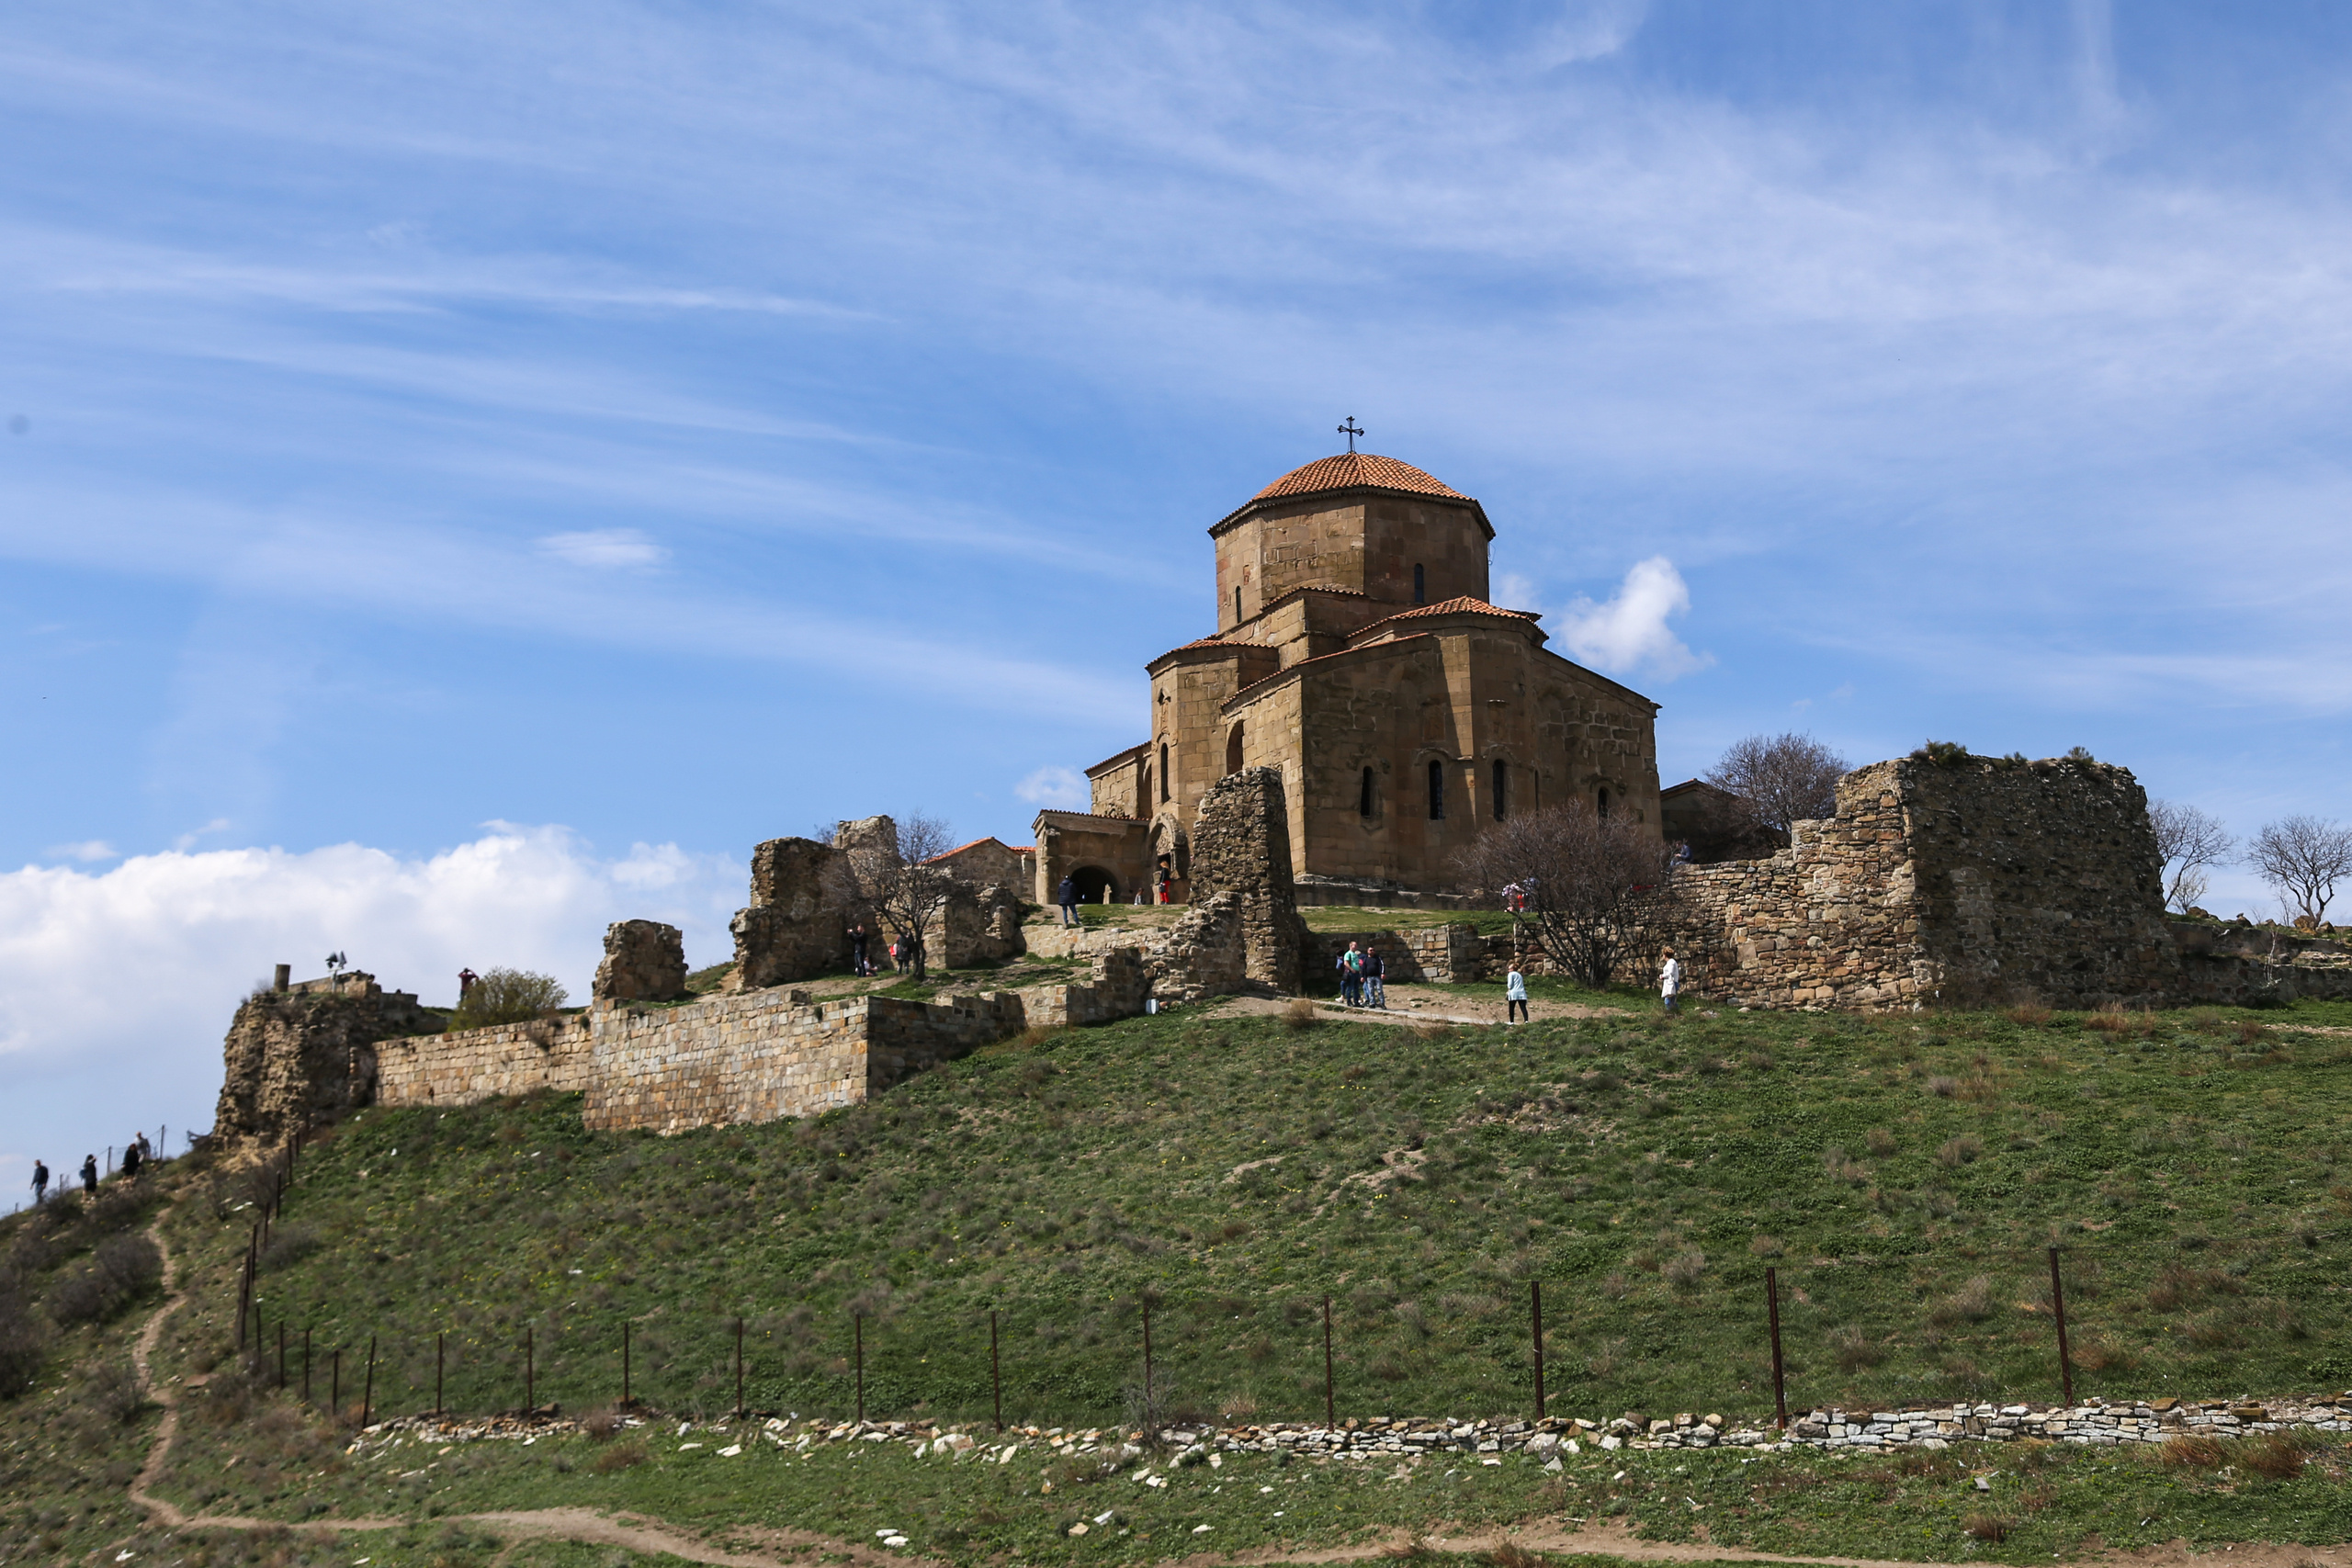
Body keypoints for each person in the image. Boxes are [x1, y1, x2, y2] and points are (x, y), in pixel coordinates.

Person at [1659, 947, 1682, 1013]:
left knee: (1668, 1001)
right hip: (1670, 983)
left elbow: (1670, 972)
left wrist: (1662, 976)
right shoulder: (1670, 962)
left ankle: (1670, 1013)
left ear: (1665, 955)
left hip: (1672, 984)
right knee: (1672, 1001)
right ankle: (1676, 1012)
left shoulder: (1671, 962)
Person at [1363, 946, 1385, 1010]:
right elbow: (1363, 968)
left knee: (1379, 990)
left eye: (1373, 950)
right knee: (1371, 991)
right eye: (1371, 950)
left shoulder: (1377, 958)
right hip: (1369, 977)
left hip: (1377, 976)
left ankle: (1382, 1003)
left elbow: (1382, 965)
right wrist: (1363, 976)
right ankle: (1372, 1003)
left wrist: (1382, 973)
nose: (1372, 951)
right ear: (1368, 951)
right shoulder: (1366, 959)